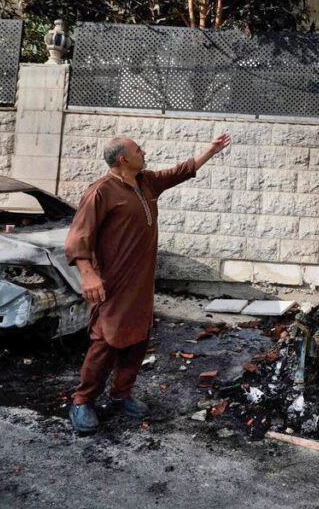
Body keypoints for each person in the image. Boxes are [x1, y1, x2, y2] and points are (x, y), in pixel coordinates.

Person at [65, 134, 230, 433]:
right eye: (138, 150)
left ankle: (120, 394)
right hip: (112, 283)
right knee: (106, 341)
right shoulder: (100, 192)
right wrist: (88, 274)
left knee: (138, 339)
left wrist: (210, 151)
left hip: (142, 282)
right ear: (123, 160)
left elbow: (179, 172)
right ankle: (82, 401)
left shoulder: (146, 183)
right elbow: (78, 236)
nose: (145, 152)